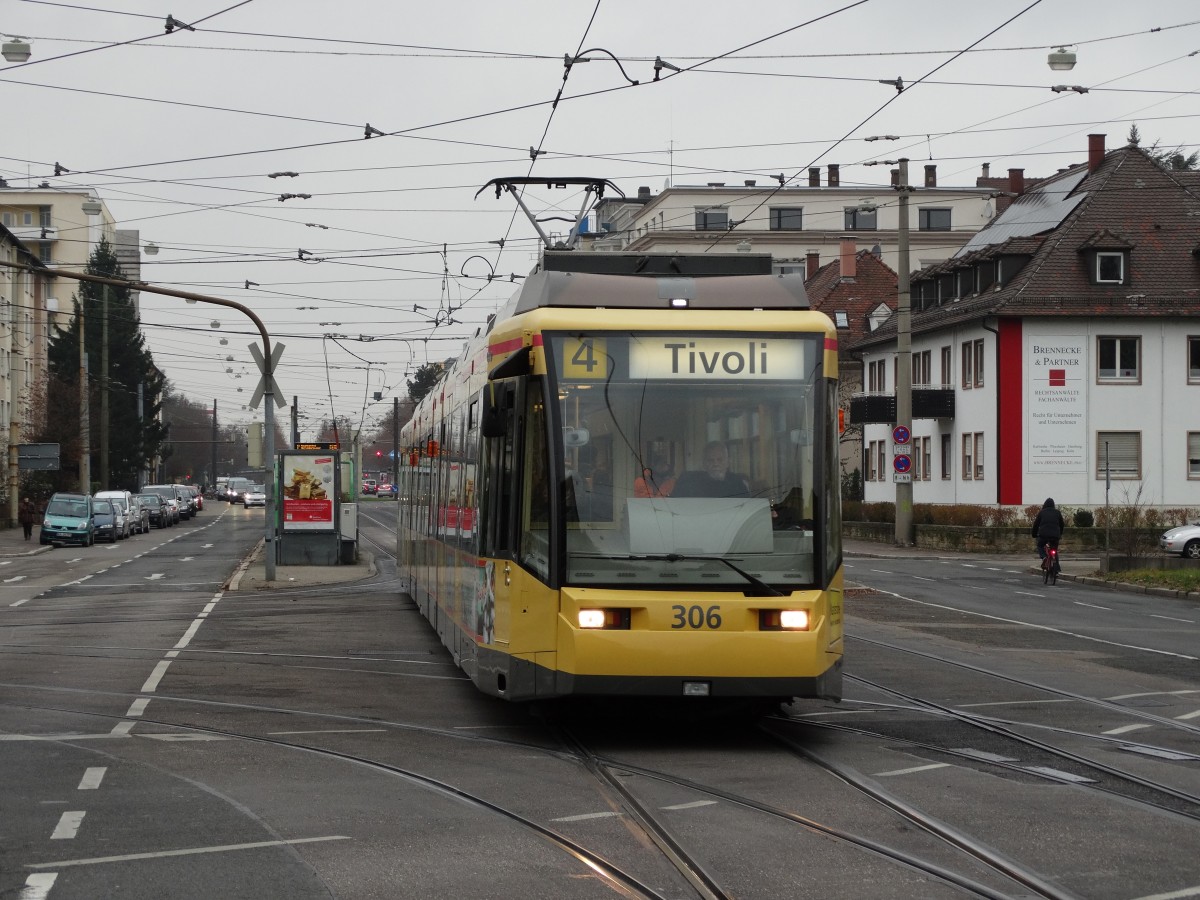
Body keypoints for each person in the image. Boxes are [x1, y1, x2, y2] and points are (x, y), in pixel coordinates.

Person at [672, 441, 750, 498]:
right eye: (710, 460)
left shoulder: (737, 483)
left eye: (720, 460)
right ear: (704, 464)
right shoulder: (689, 483)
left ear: (728, 462)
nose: (715, 464)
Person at [1031, 497, 1065, 562]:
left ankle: (1044, 557)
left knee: (1040, 546)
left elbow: (1036, 525)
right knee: (1054, 550)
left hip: (1044, 535)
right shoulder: (1057, 512)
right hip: (1055, 536)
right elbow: (1062, 524)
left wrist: (1034, 534)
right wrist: (1060, 534)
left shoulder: (1042, 512)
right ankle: (1057, 568)